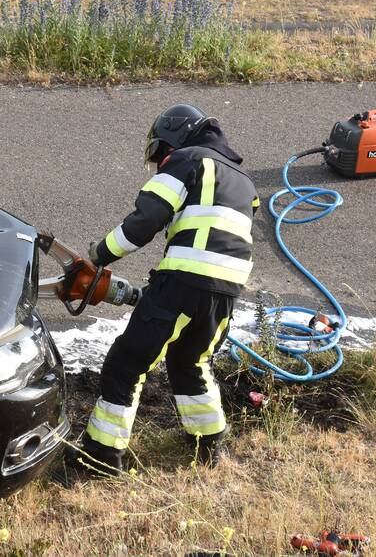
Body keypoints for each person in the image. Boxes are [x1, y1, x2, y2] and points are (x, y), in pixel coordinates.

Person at [75, 104, 259, 473]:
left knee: (127, 363)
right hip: (226, 292)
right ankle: (208, 446)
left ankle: (101, 457)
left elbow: (146, 220)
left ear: (171, 141)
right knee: (190, 361)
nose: (159, 160)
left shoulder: (186, 159)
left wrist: (98, 255)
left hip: (183, 284)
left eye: (159, 151)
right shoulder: (244, 181)